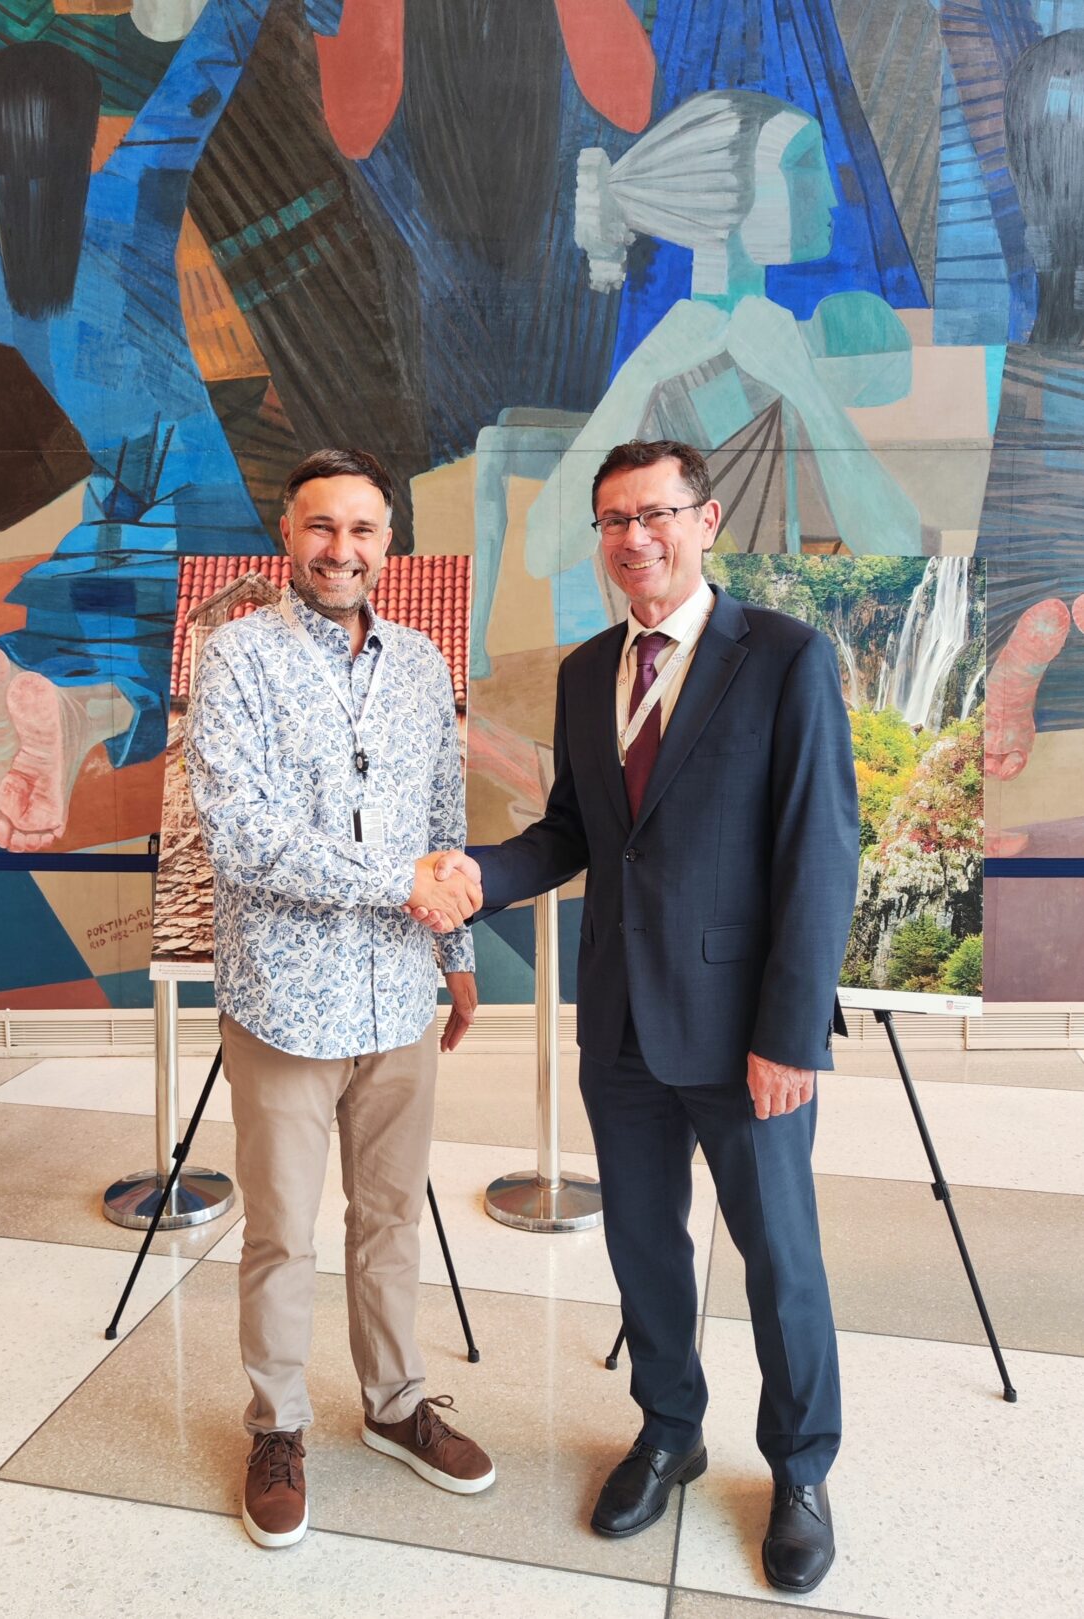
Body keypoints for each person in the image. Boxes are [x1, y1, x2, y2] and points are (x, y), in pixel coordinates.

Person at [425, 439, 859, 1594]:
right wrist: (479, 872)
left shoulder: (785, 656)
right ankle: (670, 1427)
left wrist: (790, 1034)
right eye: (614, 520)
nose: (634, 538)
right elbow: (573, 832)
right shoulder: (585, 673)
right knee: (644, 1245)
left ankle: (801, 1467)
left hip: (743, 1029)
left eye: (655, 513)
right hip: (618, 1018)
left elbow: (820, 853)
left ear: (705, 520)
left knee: (780, 1256)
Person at [184, 448, 494, 1550]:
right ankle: (277, 1427)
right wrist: (396, 882)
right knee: (280, 1231)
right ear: (288, 533)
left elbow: (443, 817)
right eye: (321, 527)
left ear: (389, 542)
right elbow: (243, 834)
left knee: (392, 1218)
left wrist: (457, 951)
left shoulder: (421, 664)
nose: (341, 549)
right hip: (284, 997)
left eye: (363, 529)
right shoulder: (236, 656)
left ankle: (397, 1403)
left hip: (402, 994)